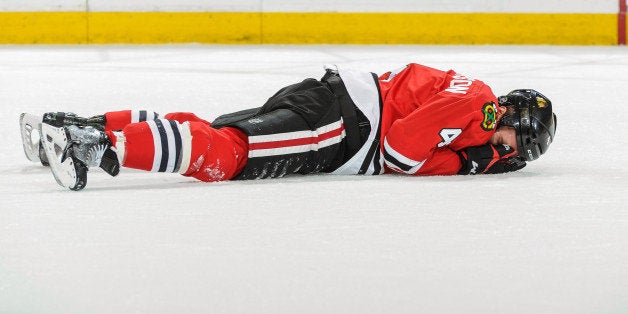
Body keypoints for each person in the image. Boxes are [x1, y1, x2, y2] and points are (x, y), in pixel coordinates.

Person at [27, 63, 557, 190]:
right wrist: (461, 163)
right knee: (228, 154)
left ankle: (72, 128)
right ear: (508, 117)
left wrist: (466, 156)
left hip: (335, 103)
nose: (507, 155)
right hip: (344, 124)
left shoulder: (473, 99)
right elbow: (399, 152)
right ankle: (91, 143)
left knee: (215, 131)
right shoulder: (477, 108)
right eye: (515, 145)